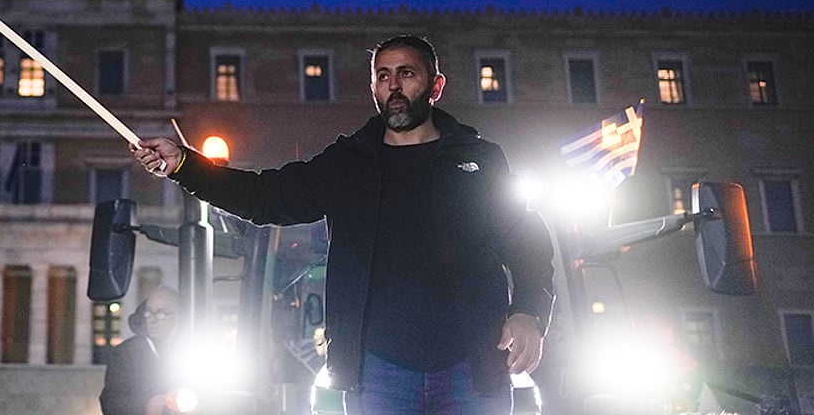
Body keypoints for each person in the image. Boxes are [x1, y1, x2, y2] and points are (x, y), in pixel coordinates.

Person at [132, 34, 555, 415]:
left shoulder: (479, 161)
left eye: (406, 73)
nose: (393, 85)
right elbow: (264, 197)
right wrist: (184, 165)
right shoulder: (348, 164)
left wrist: (529, 314)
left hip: (472, 367)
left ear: (436, 85)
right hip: (378, 373)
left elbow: (528, 242)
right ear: (373, 88)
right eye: (383, 76)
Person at [99, 286, 180, 415]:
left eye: (161, 314)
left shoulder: (195, 345)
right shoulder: (125, 352)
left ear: (178, 315)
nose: (152, 320)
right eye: (148, 312)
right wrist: (145, 407)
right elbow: (110, 402)